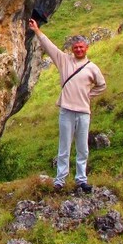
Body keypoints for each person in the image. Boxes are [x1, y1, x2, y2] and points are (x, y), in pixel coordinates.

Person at [28, 18, 106, 194]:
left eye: (81, 47)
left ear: (86, 48)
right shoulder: (64, 61)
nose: (79, 49)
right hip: (66, 111)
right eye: (76, 47)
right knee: (64, 146)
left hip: (83, 112)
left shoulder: (92, 68)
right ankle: (60, 180)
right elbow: (50, 48)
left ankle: (81, 179)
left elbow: (102, 85)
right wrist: (37, 31)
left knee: (82, 148)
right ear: (72, 49)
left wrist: (88, 95)